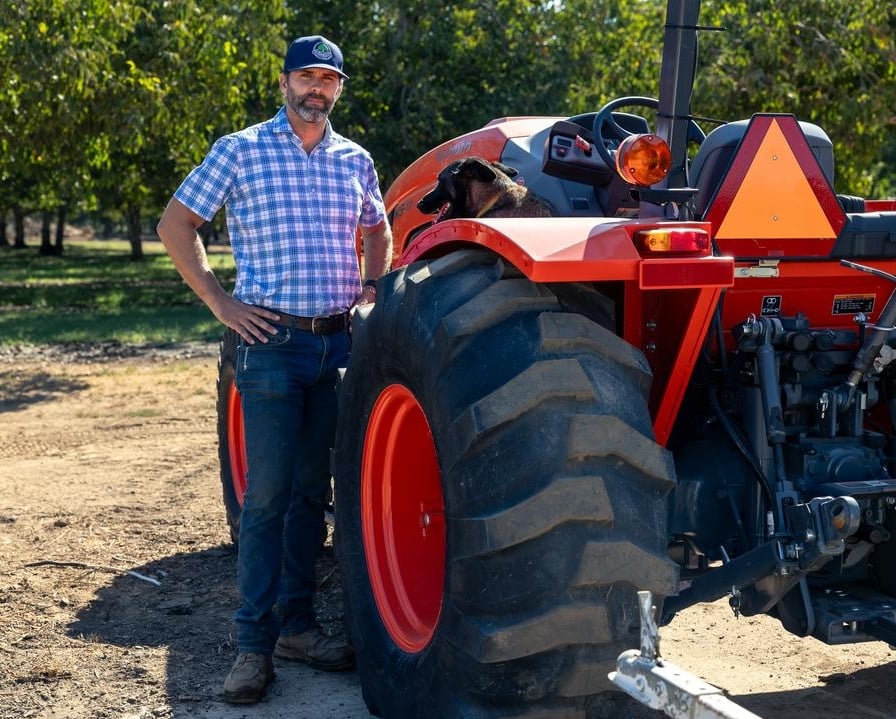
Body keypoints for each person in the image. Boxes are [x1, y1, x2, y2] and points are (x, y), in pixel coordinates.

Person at [156, 34, 392, 705]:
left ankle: (297, 626)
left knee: (309, 494)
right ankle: (252, 647)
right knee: (264, 498)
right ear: (284, 82)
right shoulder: (240, 149)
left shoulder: (355, 159)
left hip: (334, 346)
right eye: (307, 78)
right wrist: (220, 302)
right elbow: (177, 223)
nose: (318, 90)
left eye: (329, 80)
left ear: (339, 88)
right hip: (269, 347)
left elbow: (377, 228)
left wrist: (373, 286)